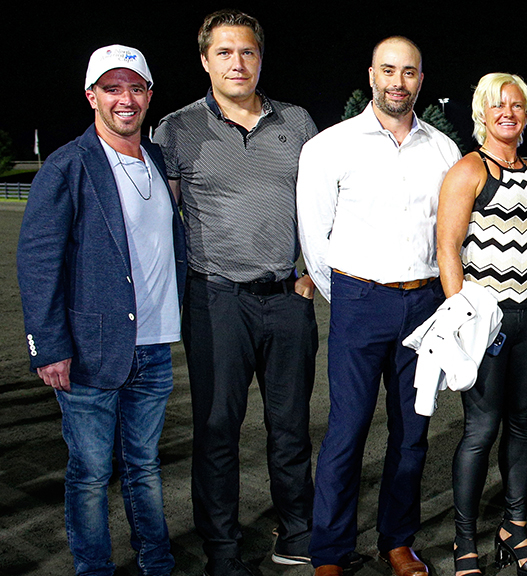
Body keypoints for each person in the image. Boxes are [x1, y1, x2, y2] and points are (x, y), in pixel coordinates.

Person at [152, 10, 319, 576]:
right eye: (224, 52)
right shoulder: (175, 130)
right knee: (218, 429)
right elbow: (158, 217)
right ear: (205, 60)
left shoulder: (297, 122)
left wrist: (313, 272)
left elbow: (326, 207)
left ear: (260, 58)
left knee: (292, 425)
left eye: (246, 51)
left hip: (287, 296)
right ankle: (222, 548)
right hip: (216, 299)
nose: (237, 62)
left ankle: (296, 530)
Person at [296, 36, 461, 576]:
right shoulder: (330, 146)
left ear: (420, 78)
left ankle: (397, 540)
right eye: (388, 70)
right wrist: (347, 292)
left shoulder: (442, 149)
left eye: (409, 72)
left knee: (412, 433)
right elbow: (315, 239)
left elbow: (449, 234)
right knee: (346, 432)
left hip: (425, 305)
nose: (398, 82)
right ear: (371, 74)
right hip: (359, 301)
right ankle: (330, 552)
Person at [17, 45, 184, 576]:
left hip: (155, 346)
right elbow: (38, 262)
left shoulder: (158, 160)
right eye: (111, 88)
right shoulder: (68, 164)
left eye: (135, 87)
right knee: (90, 472)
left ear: (150, 95)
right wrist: (50, 347)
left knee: (144, 466)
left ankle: (156, 561)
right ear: (92, 96)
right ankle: (95, 568)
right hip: (90, 349)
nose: (125, 99)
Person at [437, 73, 527, 576]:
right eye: (498, 105)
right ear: (481, 112)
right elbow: (447, 248)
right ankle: (463, 541)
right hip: (485, 316)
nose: (509, 112)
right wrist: (462, 316)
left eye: (517, 105)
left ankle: (512, 531)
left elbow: (526, 240)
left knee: (522, 423)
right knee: (480, 429)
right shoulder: (468, 170)